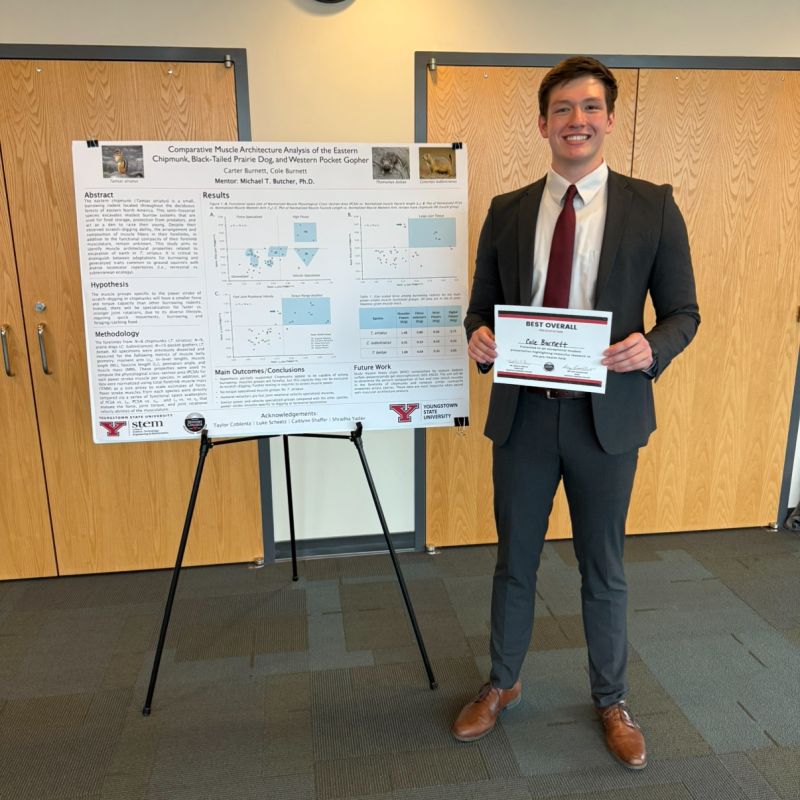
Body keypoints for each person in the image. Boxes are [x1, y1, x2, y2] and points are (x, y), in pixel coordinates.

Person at [451, 56, 700, 770]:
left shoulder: (652, 206)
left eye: (590, 108)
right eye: (563, 109)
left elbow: (685, 313)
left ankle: (611, 699)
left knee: (604, 566)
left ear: (610, 121)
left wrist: (649, 349)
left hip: (607, 421)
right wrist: (479, 337)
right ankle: (502, 683)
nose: (577, 121)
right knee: (514, 562)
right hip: (525, 419)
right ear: (542, 124)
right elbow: (480, 306)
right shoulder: (507, 210)